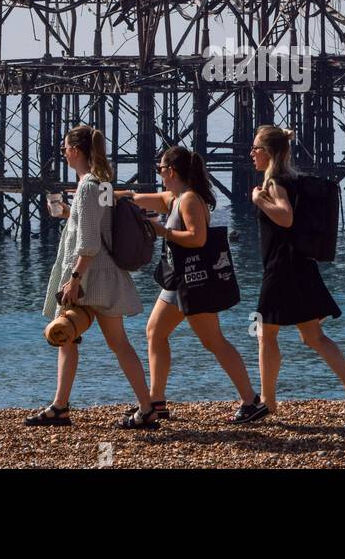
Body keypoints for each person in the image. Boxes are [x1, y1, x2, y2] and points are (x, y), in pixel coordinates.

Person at [121, 146, 266, 424]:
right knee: (156, 331)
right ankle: (157, 400)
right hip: (179, 279)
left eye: (161, 169)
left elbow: (197, 239)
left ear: (171, 171)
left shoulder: (188, 200)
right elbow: (135, 198)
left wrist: (162, 231)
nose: (159, 174)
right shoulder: (174, 198)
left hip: (193, 279)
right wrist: (100, 197)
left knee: (213, 341)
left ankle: (251, 401)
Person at [26, 125, 157, 429]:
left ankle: (61, 408)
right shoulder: (101, 183)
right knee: (117, 343)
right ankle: (145, 407)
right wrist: (67, 214)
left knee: (64, 335)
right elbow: (96, 225)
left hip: (87, 278)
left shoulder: (87, 187)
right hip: (105, 277)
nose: (62, 152)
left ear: (75, 151)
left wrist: (73, 279)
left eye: (65, 148)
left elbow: (89, 244)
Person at [249, 125, 345, 415]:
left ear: (269, 153)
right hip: (299, 265)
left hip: (282, 268)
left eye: (256, 149)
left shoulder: (275, 182)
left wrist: (259, 201)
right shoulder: (291, 180)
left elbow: (286, 218)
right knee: (312, 336)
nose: (251, 154)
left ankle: (268, 402)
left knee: (266, 334)